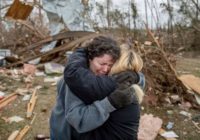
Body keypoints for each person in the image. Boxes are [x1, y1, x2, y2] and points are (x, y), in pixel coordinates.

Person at [50, 36, 145, 140]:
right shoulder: (76, 82)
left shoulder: (107, 76)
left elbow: (132, 75)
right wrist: (110, 103)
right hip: (64, 130)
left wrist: (137, 77)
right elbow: (77, 119)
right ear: (90, 59)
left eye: (110, 65)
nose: (105, 69)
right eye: (102, 64)